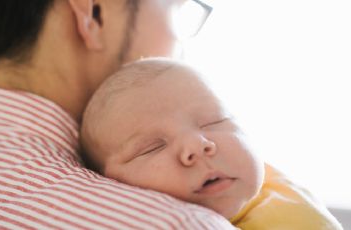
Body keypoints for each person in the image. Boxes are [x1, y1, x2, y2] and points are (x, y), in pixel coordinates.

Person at [0, 0, 339, 229]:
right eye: (177, 7)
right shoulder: (180, 223)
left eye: (214, 121)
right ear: (93, 13)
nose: (178, 40)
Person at [80, 58, 343, 229]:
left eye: (213, 122)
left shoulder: (268, 179)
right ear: (112, 187)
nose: (197, 145)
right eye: (153, 147)